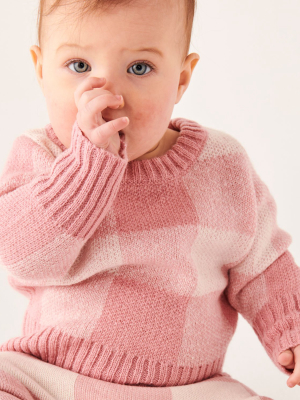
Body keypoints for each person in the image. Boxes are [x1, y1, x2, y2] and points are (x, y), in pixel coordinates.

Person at [0, 0, 299, 399]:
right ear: (40, 70)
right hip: (49, 375)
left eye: (139, 68)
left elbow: (264, 265)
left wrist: (290, 329)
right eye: (79, 66)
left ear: (180, 79)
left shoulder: (223, 165)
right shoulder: (41, 156)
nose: (107, 96)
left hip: (190, 388)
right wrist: (87, 167)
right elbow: (22, 256)